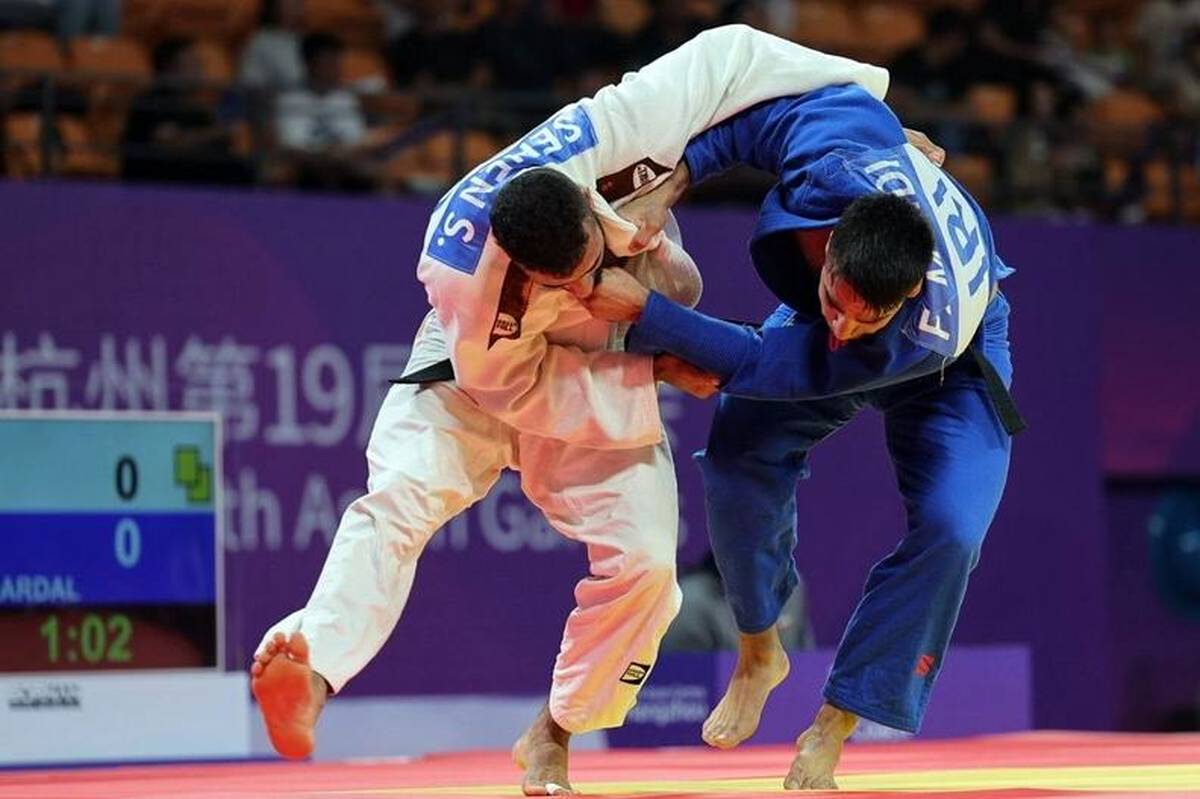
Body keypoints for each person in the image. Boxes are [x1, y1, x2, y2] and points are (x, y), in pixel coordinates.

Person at [248, 24, 891, 796]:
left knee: (648, 568)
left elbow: (732, 56)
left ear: (586, 201)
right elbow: (511, 388)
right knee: (401, 497)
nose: (586, 279)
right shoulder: (463, 271)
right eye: (569, 278)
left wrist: (872, 108)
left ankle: (553, 732)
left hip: (606, 353)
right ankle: (314, 669)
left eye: (591, 260)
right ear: (521, 265)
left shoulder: (608, 132)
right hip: (481, 375)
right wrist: (652, 356)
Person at [584, 83, 1022, 789]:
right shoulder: (836, 149)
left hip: (957, 361)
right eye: (835, 302)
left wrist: (647, 311)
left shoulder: (918, 327)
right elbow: (746, 122)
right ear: (834, 242)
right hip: (873, 281)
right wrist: (671, 187)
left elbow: (762, 362)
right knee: (737, 452)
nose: (843, 326)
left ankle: (835, 722)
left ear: (908, 293)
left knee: (953, 530)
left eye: (864, 317)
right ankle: (761, 647)